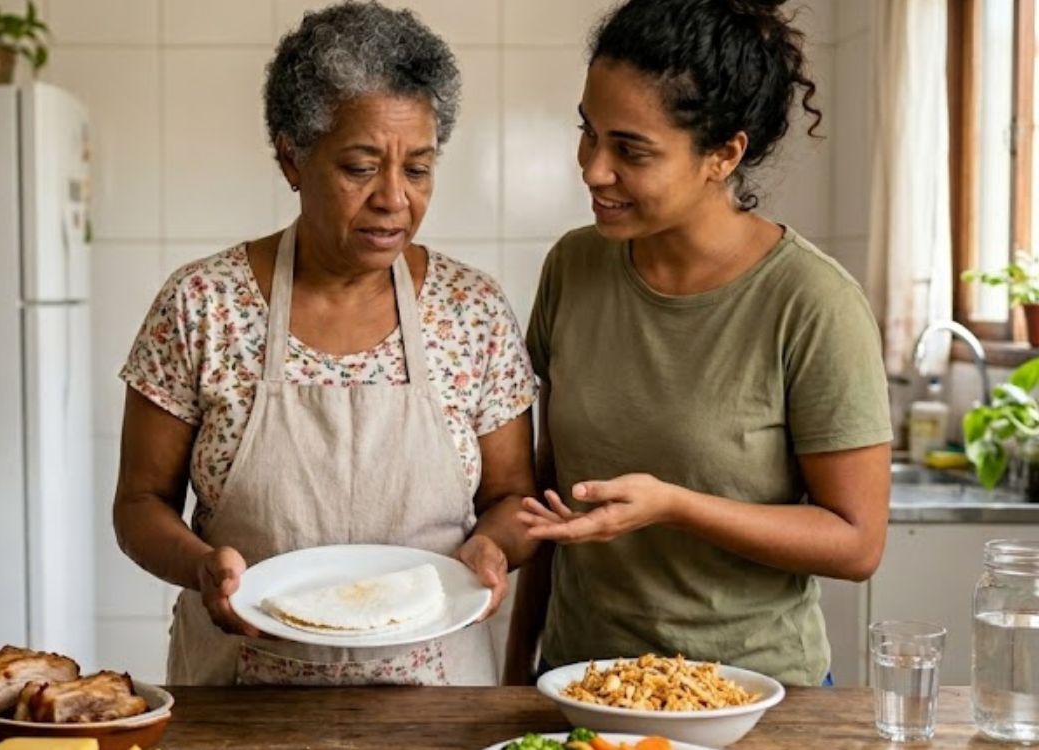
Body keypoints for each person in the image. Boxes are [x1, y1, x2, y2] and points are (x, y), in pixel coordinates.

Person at [113, 0, 538, 686]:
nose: (393, 198)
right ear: (291, 157)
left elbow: (515, 492)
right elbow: (139, 504)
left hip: (435, 699)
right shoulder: (203, 305)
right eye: (360, 167)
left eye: (419, 169)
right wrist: (201, 567)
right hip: (241, 699)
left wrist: (494, 546)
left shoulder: (473, 310)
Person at [505, 0, 892, 688]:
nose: (593, 169)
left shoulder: (812, 303)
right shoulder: (574, 267)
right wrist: (517, 674)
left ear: (723, 154)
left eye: (631, 149)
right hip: (581, 684)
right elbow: (547, 495)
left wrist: (676, 505)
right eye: (587, 132)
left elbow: (858, 542)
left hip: (750, 695)